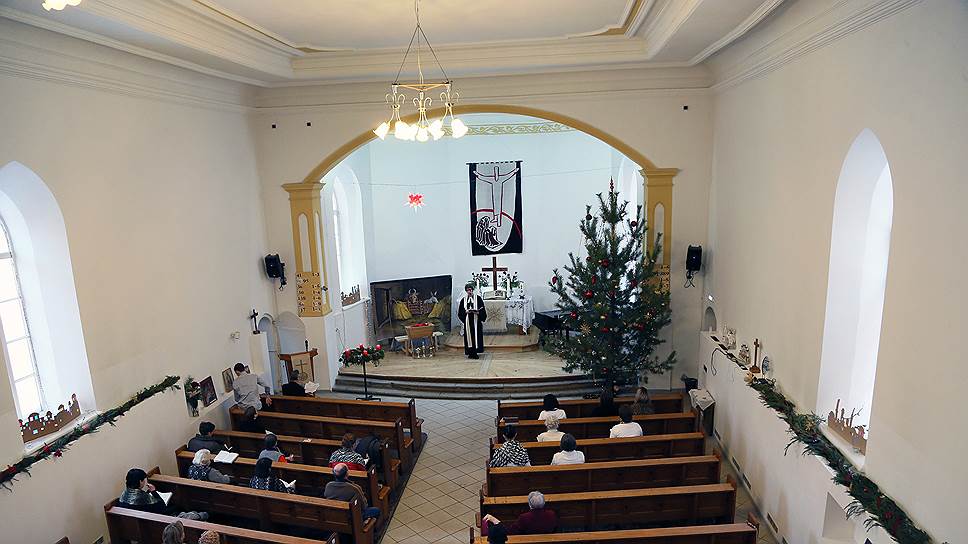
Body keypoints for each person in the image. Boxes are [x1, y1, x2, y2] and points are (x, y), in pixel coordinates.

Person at [120, 468, 208, 520]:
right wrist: (154, 492)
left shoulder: (124, 494)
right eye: (144, 479)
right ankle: (201, 515)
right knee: (176, 507)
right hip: (156, 519)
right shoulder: (143, 497)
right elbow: (161, 506)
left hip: (139, 520)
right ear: (140, 481)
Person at [481, 491, 558, 535]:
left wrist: (495, 520)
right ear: (544, 503)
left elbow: (510, 532)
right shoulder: (551, 514)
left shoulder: (524, 517)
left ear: (530, 505)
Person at [457, 283, 488, 359]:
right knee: (469, 337)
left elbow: (482, 310)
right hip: (468, 321)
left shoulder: (478, 298)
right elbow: (460, 312)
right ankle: (470, 352)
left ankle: (476, 351)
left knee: (476, 336)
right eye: (467, 290)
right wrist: (465, 312)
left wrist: (478, 312)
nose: (469, 292)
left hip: (476, 321)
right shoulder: (463, 300)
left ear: (473, 290)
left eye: (470, 290)